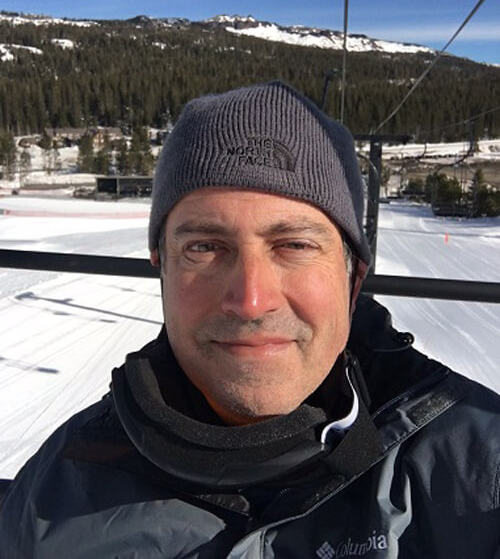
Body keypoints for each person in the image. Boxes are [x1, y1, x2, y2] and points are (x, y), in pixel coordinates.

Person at [0, 81, 499, 559]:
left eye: (295, 246)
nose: (251, 300)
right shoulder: (55, 495)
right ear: (162, 268)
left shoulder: (480, 471)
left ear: (353, 279)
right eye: (204, 248)